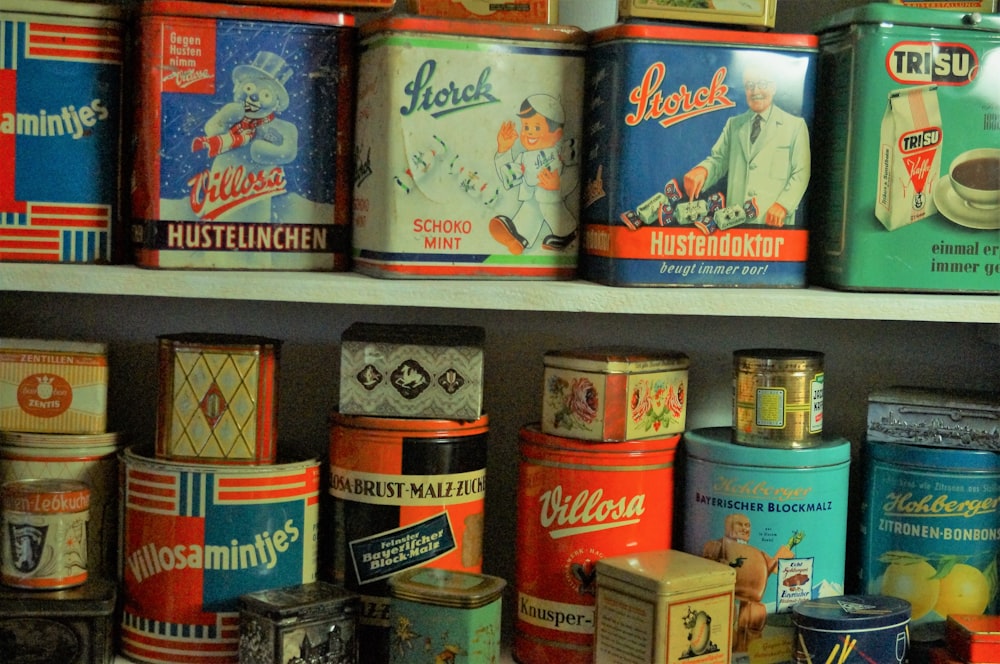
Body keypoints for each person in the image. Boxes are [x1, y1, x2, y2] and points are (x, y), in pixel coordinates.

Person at [683, 61, 810, 228]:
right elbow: (719, 159)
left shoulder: (795, 126)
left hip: (773, 227)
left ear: (774, 87)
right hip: (735, 226)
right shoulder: (734, 124)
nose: (755, 91)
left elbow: (801, 172)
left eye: (762, 84)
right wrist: (703, 170)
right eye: (750, 85)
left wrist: (783, 205)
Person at [490, 94, 579, 254]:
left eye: (536, 128)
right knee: (529, 211)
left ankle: (567, 233)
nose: (529, 133)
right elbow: (509, 175)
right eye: (526, 127)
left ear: (557, 134)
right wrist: (504, 150)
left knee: (547, 203)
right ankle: (519, 239)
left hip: (550, 198)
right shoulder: (524, 157)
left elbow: (573, 174)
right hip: (530, 197)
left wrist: (558, 185)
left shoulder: (561, 153)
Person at [701, 513, 797, 652]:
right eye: (740, 524)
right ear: (729, 526)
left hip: (751, 597)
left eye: (747, 525)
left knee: (755, 615)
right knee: (726, 614)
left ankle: (747, 650)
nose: (745, 529)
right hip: (726, 593)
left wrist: (790, 544)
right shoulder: (718, 545)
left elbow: (772, 567)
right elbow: (706, 566)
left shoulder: (758, 553)